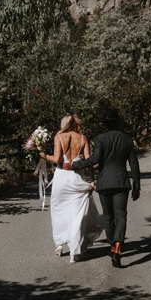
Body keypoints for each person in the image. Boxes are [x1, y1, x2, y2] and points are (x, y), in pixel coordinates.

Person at [72, 108, 140, 267]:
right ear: (118, 121)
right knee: (121, 215)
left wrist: (75, 165)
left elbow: (94, 159)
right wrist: (137, 184)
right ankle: (117, 246)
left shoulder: (100, 139)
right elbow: (134, 164)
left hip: (104, 183)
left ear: (104, 123)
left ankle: (112, 243)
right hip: (121, 182)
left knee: (108, 216)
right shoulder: (127, 139)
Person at [40, 114, 102, 262]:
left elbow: (56, 160)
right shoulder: (83, 138)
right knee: (77, 215)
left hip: (62, 178)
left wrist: (43, 155)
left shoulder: (59, 137)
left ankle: (60, 244)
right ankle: (76, 248)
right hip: (77, 179)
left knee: (60, 212)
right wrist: (92, 180)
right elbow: (88, 163)